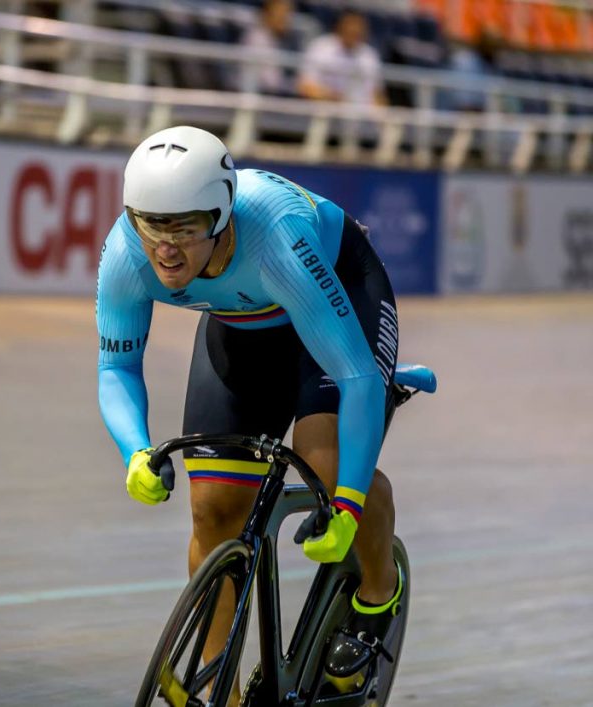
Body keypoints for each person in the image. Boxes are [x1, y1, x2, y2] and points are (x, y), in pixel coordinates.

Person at [96, 126, 402, 700]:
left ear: (220, 216)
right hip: (246, 326)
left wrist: (347, 504)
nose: (164, 247)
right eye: (151, 225)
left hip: (338, 301)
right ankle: (222, 688)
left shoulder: (276, 239)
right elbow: (115, 368)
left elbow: (357, 379)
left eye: (183, 228)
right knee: (213, 510)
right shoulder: (125, 252)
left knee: (329, 469)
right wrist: (134, 450)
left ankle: (377, 596)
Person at [298, 9, 386, 106]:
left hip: (359, 116)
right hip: (322, 110)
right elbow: (305, 87)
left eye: (358, 27)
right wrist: (332, 97)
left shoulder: (369, 56)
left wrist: (382, 118)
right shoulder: (321, 47)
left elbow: (377, 96)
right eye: (351, 25)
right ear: (340, 26)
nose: (354, 30)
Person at [240, 0, 301, 96]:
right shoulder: (257, 39)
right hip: (257, 95)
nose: (284, 20)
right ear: (266, 15)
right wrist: (294, 86)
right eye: (280, 15)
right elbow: (270, 82)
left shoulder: (282, 39)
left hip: (274, 94)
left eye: (287, 15)